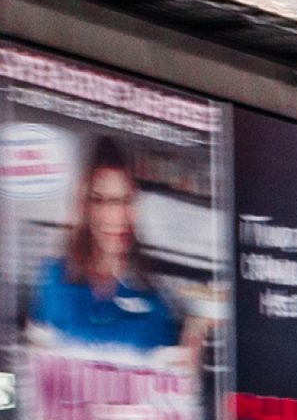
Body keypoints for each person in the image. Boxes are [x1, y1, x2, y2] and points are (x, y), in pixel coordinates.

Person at [30, 137, 204, 364]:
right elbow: (36, 364)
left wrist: (196, 332)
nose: (118, 217)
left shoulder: (153, 298)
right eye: (103, 201)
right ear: (85, 206)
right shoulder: (54, 280)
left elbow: (172, 379)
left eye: (126, 201)